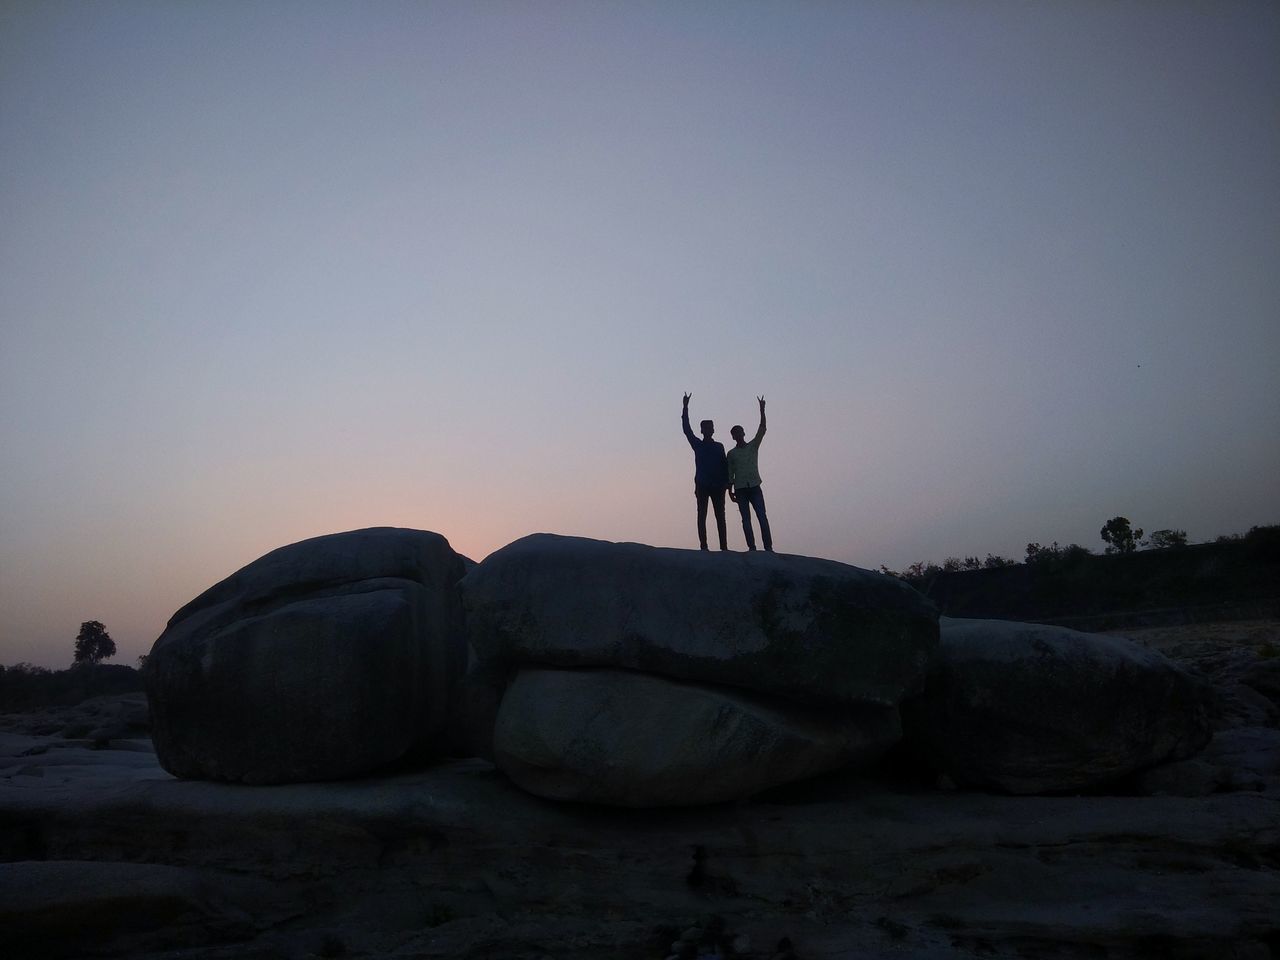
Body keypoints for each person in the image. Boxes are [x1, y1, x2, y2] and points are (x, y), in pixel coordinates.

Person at [681, 392, 729, 551]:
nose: (708, 429)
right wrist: (685, 408)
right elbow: (687, 430)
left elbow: (725, 466)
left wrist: (728, 485)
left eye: (710, 427)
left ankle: (724, 547)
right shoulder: (698, 445)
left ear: (713, 430)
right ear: (702, 430)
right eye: (705, 428)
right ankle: (704, 546)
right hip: (702, 485)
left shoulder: (719, 447)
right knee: (702, 515)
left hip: (718, 486)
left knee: (720, 517)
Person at [727, 395, 773, 552]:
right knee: (746, 519)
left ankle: (768, 547)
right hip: (740, 489)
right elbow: (730, 474)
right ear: (733, 436)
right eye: (735, 433)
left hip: (754, 486)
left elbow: (762, 429)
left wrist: (762, 410)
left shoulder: (752, 447)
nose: (738, 435)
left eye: (740, 432)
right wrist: (730, 491)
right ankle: (752, 547)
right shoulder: (731, 454)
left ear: (743, 433)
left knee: (762, 517)